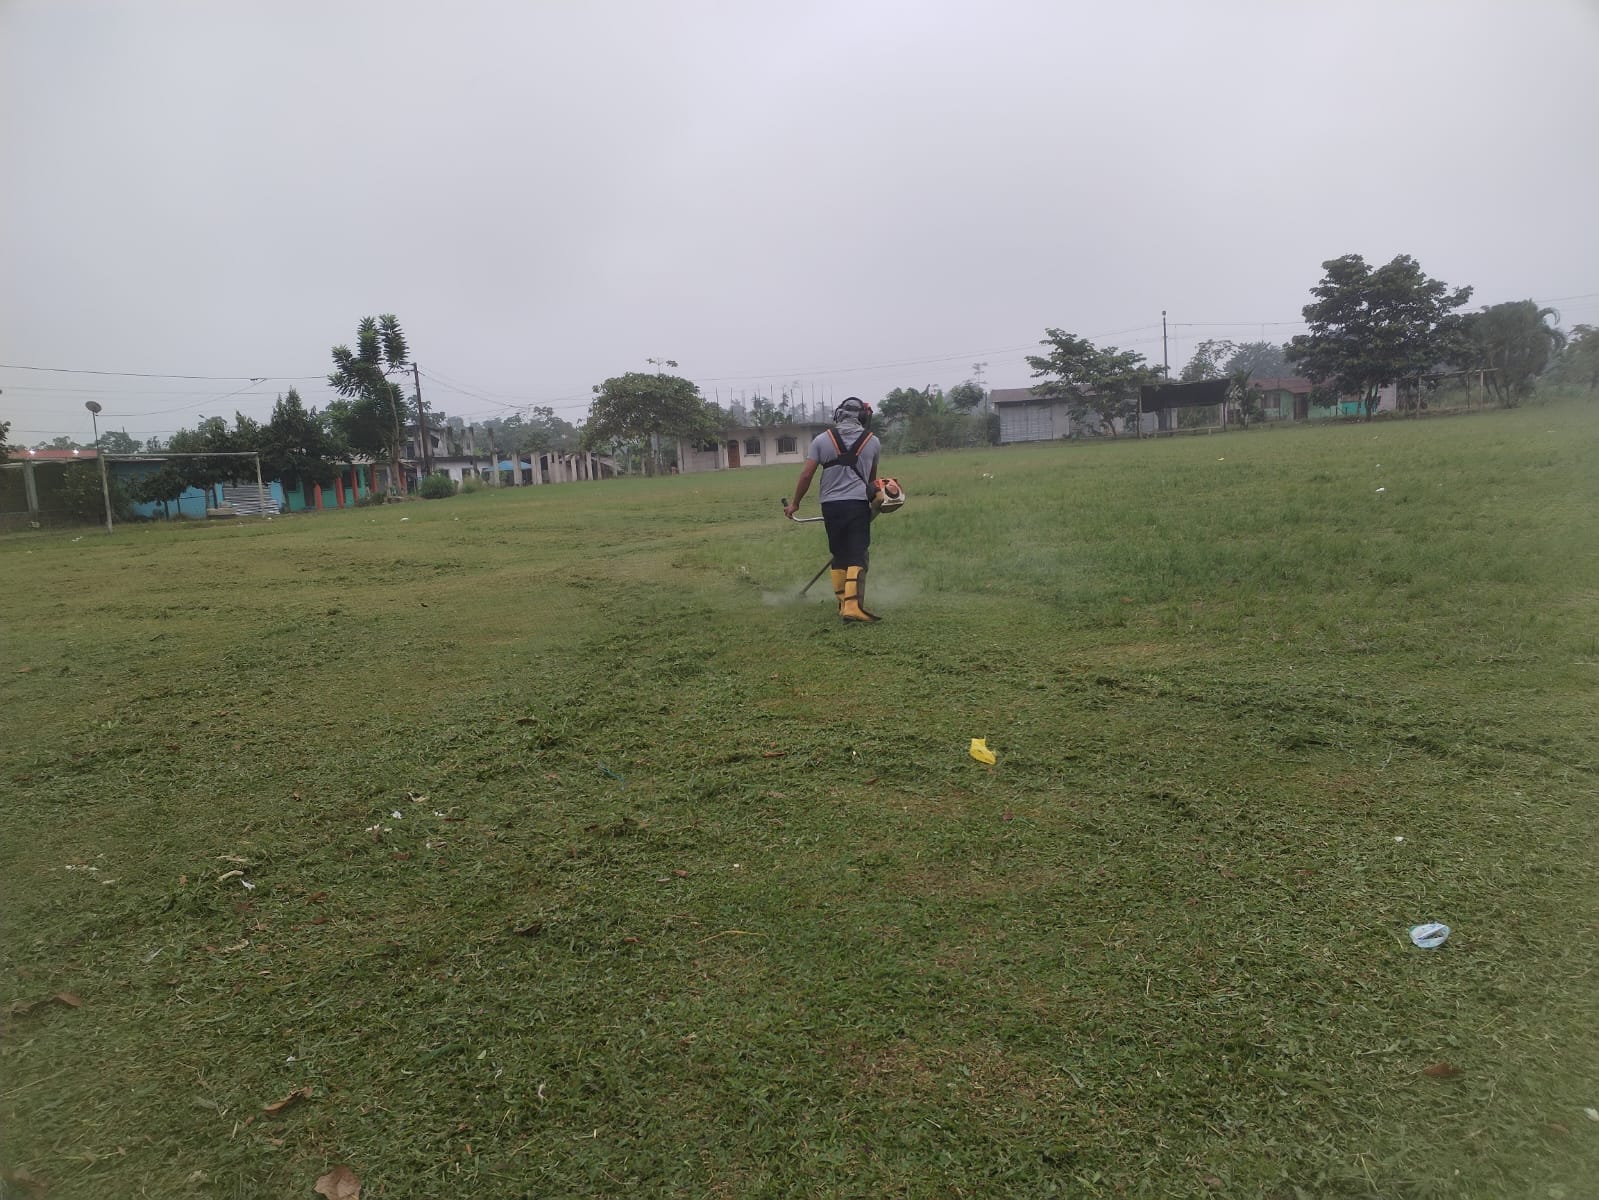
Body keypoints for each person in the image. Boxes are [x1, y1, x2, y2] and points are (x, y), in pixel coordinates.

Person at [783, 396, 883, 622]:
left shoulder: (821, 440)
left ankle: (843, 604)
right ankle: (853, 607)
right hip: (857, 504)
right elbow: (871, 481)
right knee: (857, 554)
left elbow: (806, 475)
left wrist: (795, 504)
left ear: (839, 415)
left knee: (839, 554)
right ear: (862, 417)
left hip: (830, 506)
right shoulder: (873, 442)